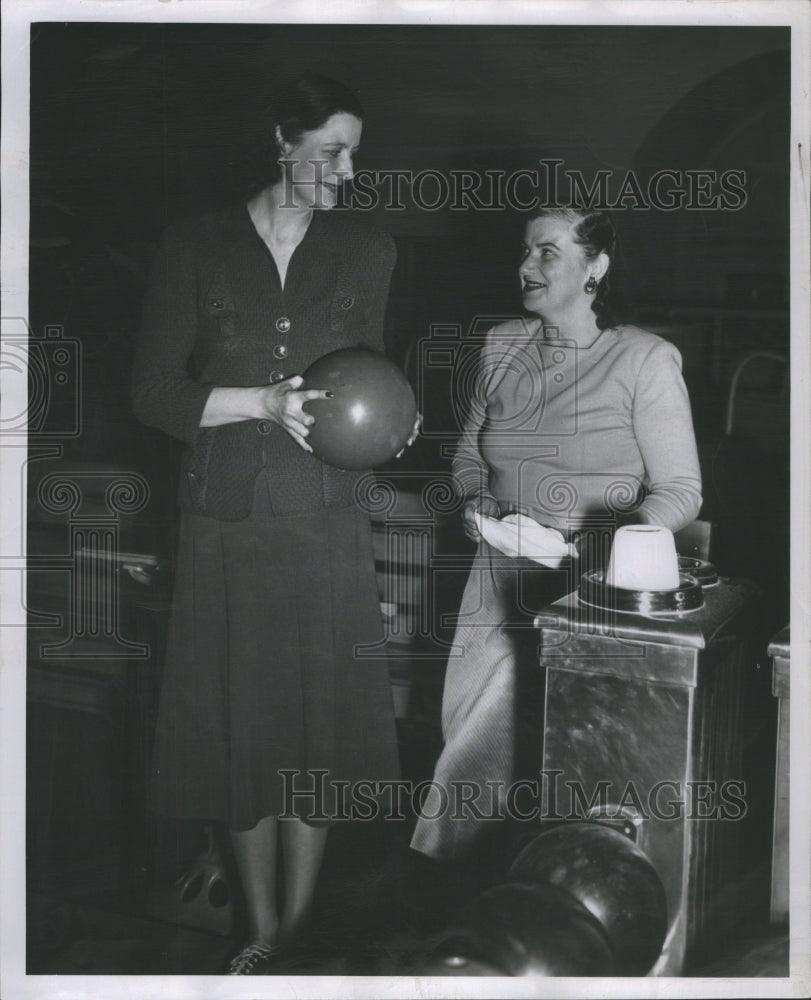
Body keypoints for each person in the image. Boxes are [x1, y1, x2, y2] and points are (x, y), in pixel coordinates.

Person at [132, 75, 407, 975]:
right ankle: (257, 933)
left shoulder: (368, 248)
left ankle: (297, 934)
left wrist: (394, 424)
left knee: (314, 733)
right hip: (224, 525)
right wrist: (259, 400)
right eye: (331, 150)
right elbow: (152, 392)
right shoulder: (194, 244)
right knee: (240, 735)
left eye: (355, 151)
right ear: (281, 141)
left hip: (326, 525)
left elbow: (369, 376)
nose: (348, 168)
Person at [410, 206, 702, 862]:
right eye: (524, 251)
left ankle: (429, 896)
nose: (525, 266)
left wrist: (604, 552)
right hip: (490, 584)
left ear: (594, 267)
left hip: (581, 592)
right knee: (473, 754)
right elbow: (465, 458)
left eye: (546, 252)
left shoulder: (643, 359)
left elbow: (680, 493)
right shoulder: (501, 344)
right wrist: (475, 498)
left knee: (473, 771)